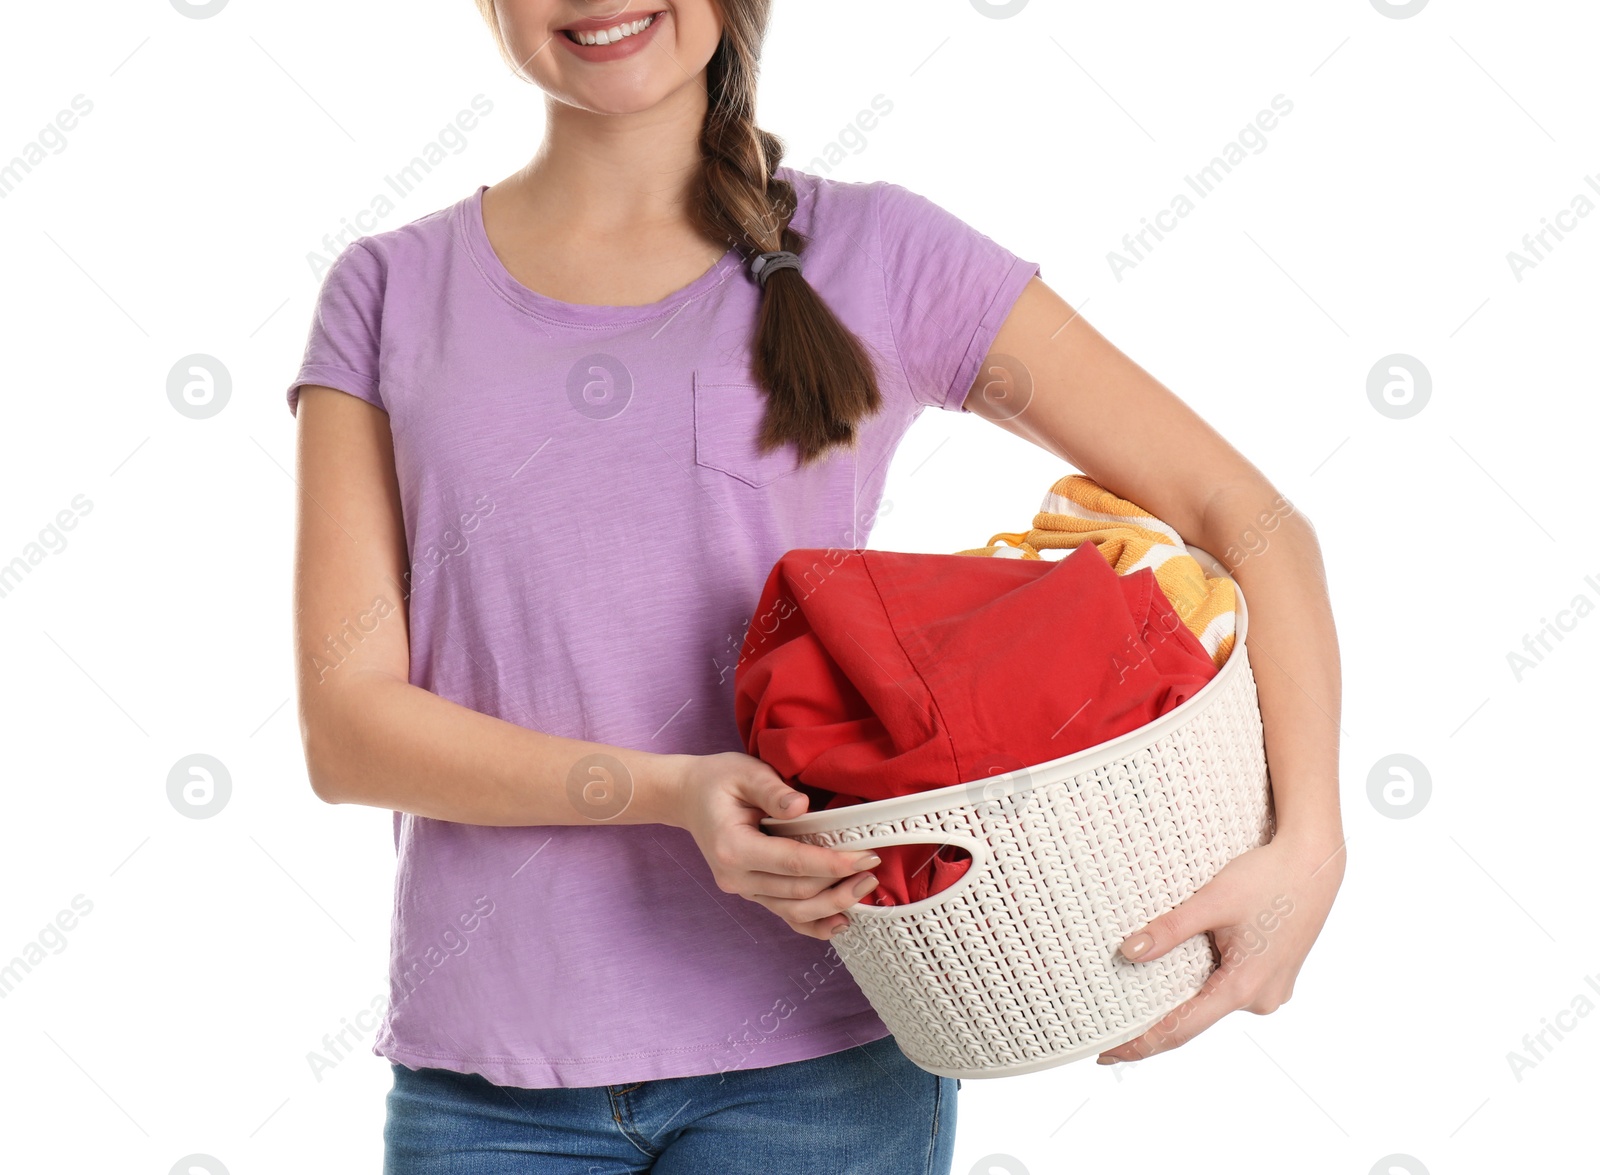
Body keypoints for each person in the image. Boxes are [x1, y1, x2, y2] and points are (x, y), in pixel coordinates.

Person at [286, 1, 1346, 1171]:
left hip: (824, 1064)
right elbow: (349, 728)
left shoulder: (881, 254)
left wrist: (1310, 846)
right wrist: (667, 791)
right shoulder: (386, 292)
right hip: (487, 1078)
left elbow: (1246, 519)